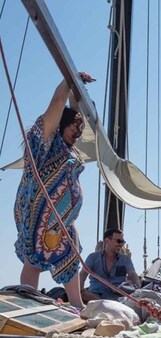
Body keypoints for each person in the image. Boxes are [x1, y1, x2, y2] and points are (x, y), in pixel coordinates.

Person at [13, 72, 96, 309]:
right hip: (36, 214)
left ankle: (78, 305)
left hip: (58, 222)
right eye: (74, 125)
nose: (78, 130)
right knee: (34, 256)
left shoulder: (68, 150)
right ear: (60, 124)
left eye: (80, 126)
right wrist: (68, 79)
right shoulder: (46, 143)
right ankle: (25, 302)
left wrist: (77, 92)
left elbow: (72, 108)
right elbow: (58, 104)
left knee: (69, 253)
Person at [79, 228, 141, 302]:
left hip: (118, 296)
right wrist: (80, 293)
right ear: (107, 241)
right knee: (85, 294)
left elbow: (132, 274)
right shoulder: (93, 257)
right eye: (118, 241)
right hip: (96, 296)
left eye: (122, 242)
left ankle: (106, 304)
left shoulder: (125, 259)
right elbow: (83, 274)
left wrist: (139, 290)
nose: (121, 244)